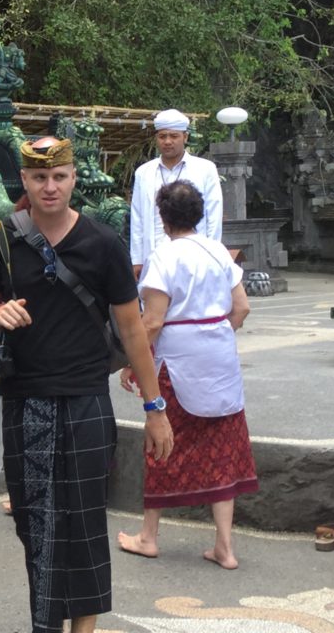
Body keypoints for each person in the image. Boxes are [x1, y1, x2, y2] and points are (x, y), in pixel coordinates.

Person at [0, 136, 174, 633]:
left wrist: (155, 407)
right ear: (23, 180)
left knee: (83, 523)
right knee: (34, 525)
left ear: (73, 179)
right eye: (39, 177)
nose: (49, 187)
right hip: (24, 400)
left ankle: (82, 629)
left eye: (59, 177)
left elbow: (132, 329)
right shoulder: (3, 238)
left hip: (86, 401)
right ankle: (46, 624)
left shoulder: (103, 243)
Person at [117, 180, 257, 570]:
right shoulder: (218, 251)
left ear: (162, 218)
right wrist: (214, 332)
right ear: (201, 214)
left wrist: (134, 362)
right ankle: (225, 546)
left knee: (161, 441)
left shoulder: (164, 255)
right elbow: (241, 308)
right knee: (223, 447)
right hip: (220, 356)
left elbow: (153, 321)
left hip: (177, 361)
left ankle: (148, 537)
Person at [130, 108, 222, 278]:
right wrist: (137, 259)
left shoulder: (205, 169)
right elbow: (137, 217)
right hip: (154, 253)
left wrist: (212, 253)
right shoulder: (144, 172)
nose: (167, 141)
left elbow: (214, 214)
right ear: (156, 138)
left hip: (194, 255)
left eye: (174, 136)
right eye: (162, 136)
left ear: (185, 137)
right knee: (155, 301)